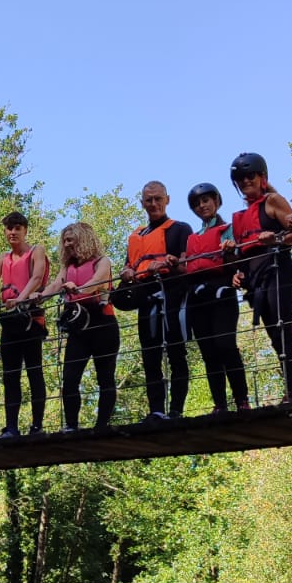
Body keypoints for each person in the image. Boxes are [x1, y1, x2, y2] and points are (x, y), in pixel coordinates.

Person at [229, 152, 292, 404]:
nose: (245, 181)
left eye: (250, 175)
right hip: (255, 279)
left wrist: (275, 238)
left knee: (284, 330)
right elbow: (243, 252)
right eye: (240, 178)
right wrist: (238, 272)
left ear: (262, 176)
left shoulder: (272, 201)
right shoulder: (241, 216)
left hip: (276, 271)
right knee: (274, 335)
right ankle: (289, 391)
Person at [119, 180, 192, 423]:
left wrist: (172, 264)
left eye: (158, 199)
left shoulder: (180, 229)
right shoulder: (136, 236)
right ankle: (157, 410)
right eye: (149, 200)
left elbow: (187, 264)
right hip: (146, 297)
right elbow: (129, 265)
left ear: (167, 199)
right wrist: (127, 273)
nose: (153, 204)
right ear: (142, 203)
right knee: (150, 355)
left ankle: (177, 410)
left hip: (173, 295)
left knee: (176, 352)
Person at [38, 222, 119, 431]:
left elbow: (96, 282)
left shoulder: (103, 262)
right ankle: (71, 425)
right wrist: (37, 298)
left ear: (83, 240)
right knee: (70, 377)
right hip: (78, 326)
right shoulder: (68, 267)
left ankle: (102, 425)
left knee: (105, 376)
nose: (67, 245)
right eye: (64, 241)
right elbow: (56, 285)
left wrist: (78, 289)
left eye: (70, 240)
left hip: (102, 323)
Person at [0, 212, 49, 437]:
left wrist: (22, 299)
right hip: (10, 321)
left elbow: (37, 277)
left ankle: (37, 425)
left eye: (17, 228)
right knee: (10, 375)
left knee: (34, 371)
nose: (13, 232)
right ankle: (11, 427)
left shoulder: (37, 251)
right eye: (9, 228)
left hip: (30, 320)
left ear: (25, 230)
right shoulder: (3, 258)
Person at [181, 183, 250, 415]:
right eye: (197, 204)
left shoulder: (228, 230)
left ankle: (242, 400)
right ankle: (219, 404)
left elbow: (238, 260)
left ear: (216, 201)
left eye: (206, 201)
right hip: (199, 296)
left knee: (225, 345)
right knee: (208, 351)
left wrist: (230, 251)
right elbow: (187, 267)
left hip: (222, 292)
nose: (202, 206)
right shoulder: (192, 238)